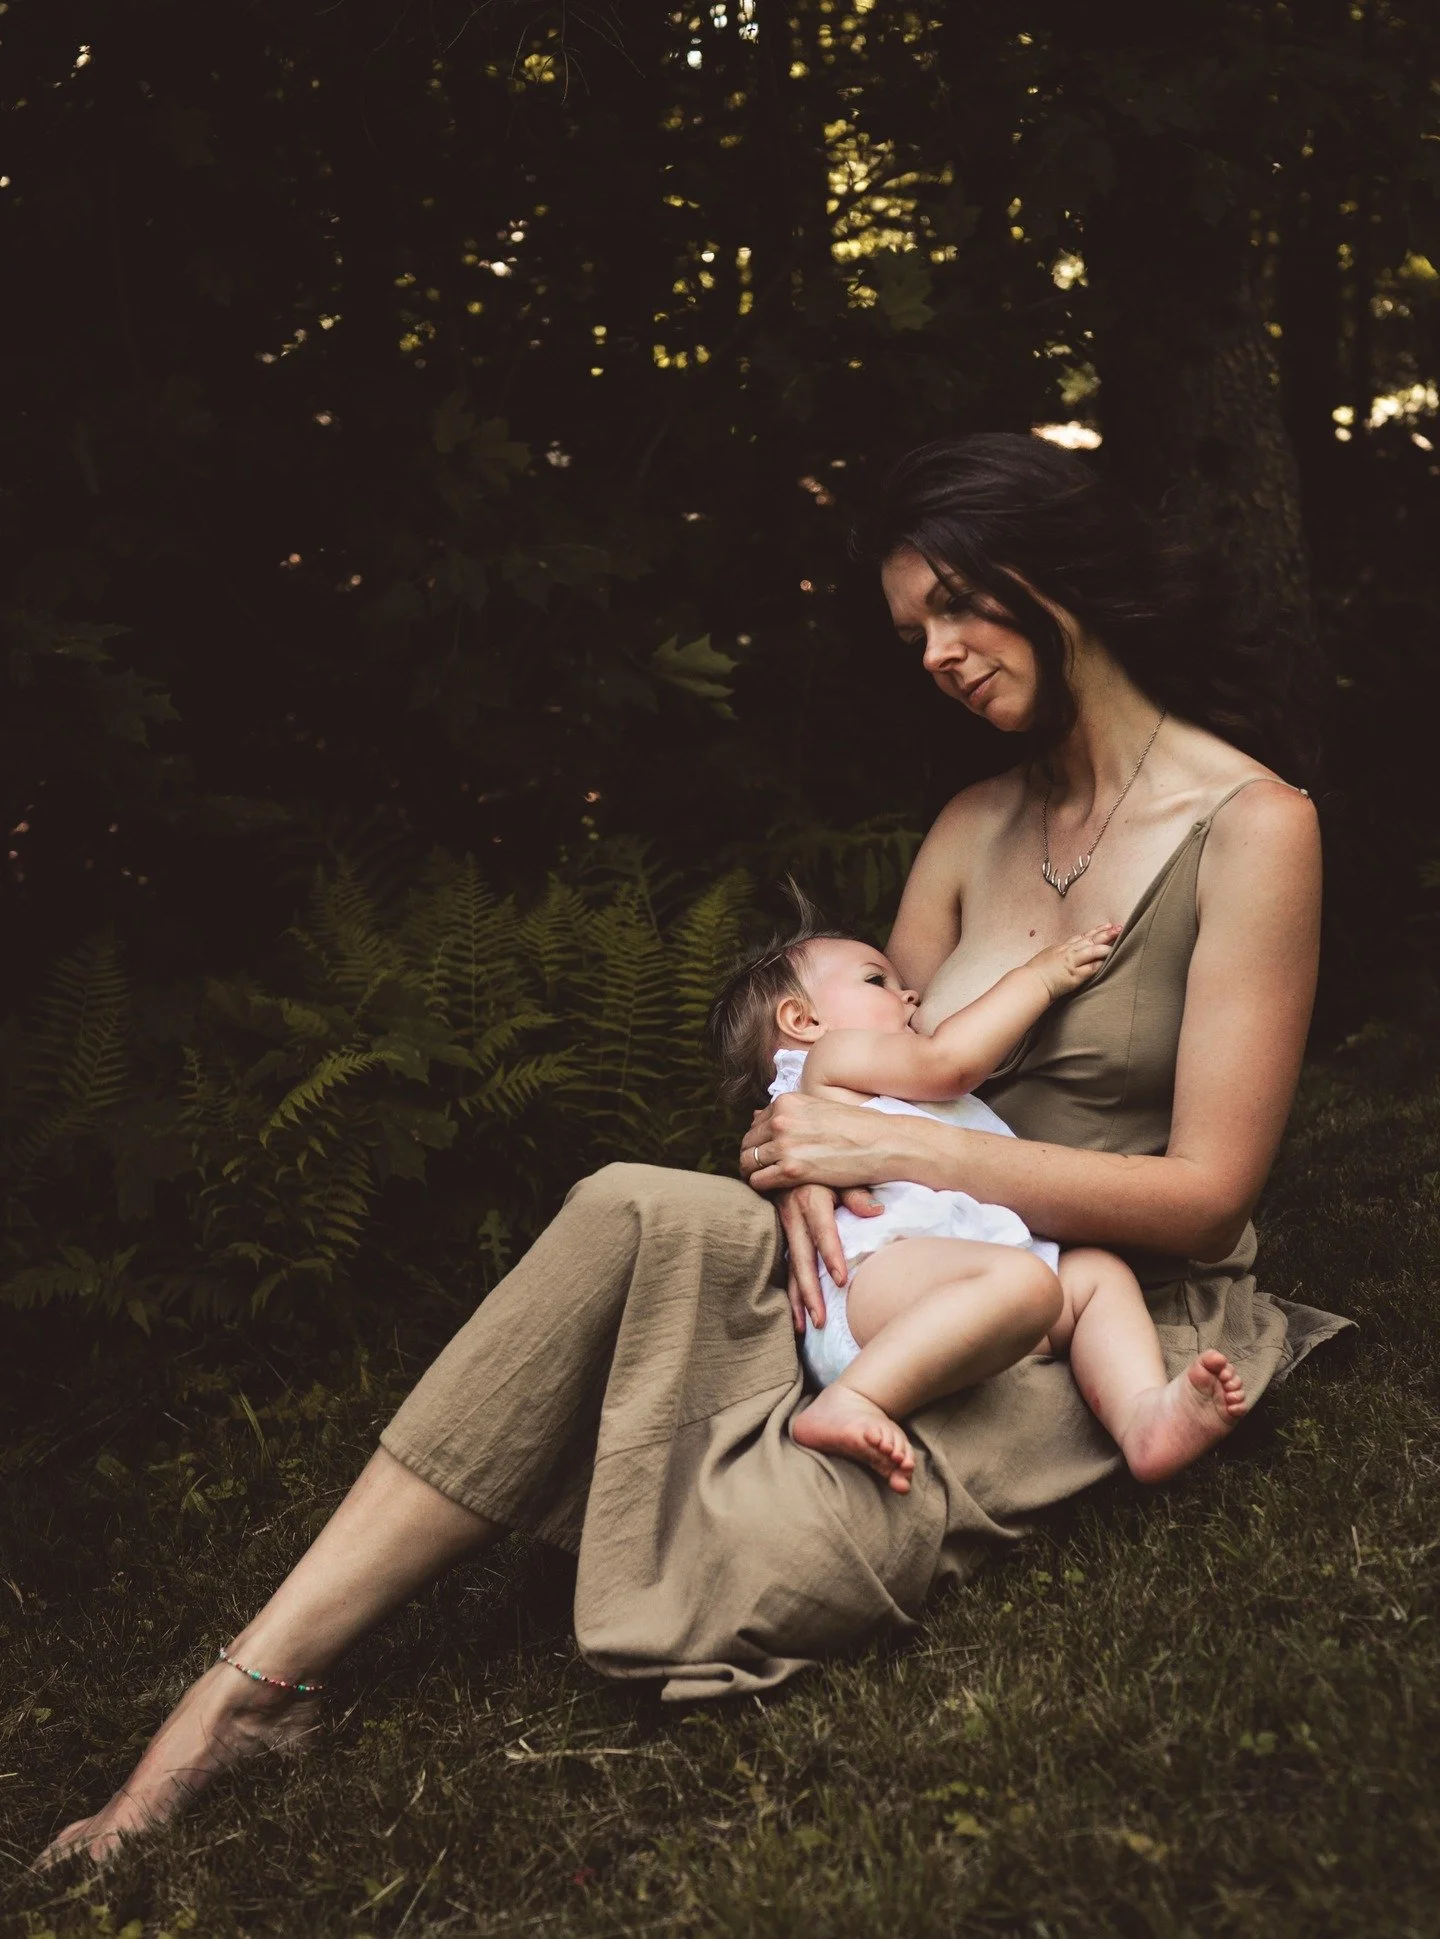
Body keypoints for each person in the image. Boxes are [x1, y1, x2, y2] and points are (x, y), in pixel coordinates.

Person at [38, 431, 1349, 1869]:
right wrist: (786, 1162)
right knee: (620, 1203)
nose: (936, 652)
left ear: (1062, 577)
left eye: (961, 607)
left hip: (1081, 1294)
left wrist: (885, 1153)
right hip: (897, 1247)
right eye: (912, 629)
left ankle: (679, 1460)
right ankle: (243, 1693)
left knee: (775, 1557)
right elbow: (846, 1068)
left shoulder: (1253, 826)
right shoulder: (976, 820)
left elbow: (1209, 1194)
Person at [708, 917, 1246, 1494]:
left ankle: (1142, 1416)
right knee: (1027, 1285)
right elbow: (951, 1063)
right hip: (874, 1278)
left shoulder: (871, 1076)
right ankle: (852, 1399)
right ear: (802, 1020)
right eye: (877, 980)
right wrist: (1040, 977)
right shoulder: (832, 1059)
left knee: (1096, 1276)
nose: (910, 994)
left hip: (960, 1281)